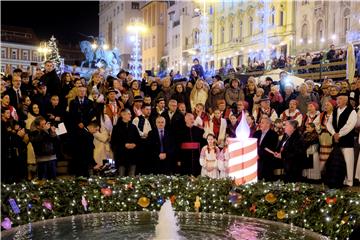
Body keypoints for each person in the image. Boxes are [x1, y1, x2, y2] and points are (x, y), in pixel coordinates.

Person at [326, 94, 357, 187]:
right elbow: (329, 123)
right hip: (336, 140)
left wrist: (339, 134)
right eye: (337, 99)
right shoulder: (335, 110)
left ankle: (349, 181)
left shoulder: (352, 111)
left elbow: (350, 125)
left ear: (345, 101)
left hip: (347, 140)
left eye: (340, 99)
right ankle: (340, 180)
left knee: (348, 161)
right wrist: (333, 133)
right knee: (338, 161)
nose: (338, 101)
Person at [111, 109, 141, 176]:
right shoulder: (116, 128)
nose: (131, 115)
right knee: (121, 177)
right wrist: (124, 145)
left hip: (132, 156)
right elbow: (113, 142)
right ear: (123, 115)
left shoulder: (133, 127)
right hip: (121, 157)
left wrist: (134, 144)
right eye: (129, 114)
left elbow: (138, 140)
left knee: (132, 178)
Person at [253, 116, 278, 181]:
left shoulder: (273, 134)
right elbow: (253, 145)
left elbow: (271, 149)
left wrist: (259, 155)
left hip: (266, 161)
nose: (260, 124)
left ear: (268, 124)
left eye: (262, 123)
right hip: (255, 160)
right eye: (260, 122)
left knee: (266, 180)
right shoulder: (256, 133)